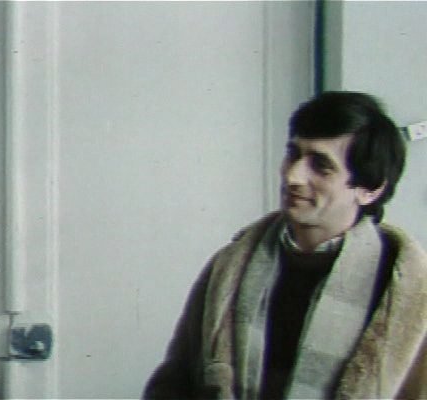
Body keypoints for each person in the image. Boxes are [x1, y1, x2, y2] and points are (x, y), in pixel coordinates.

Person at [143, 91, 427, 399]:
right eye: (294, 154)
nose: (293, 176)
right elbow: (175, 382)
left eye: (321, 165)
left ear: (369, 190)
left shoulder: (406, 292)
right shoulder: (230, 267)